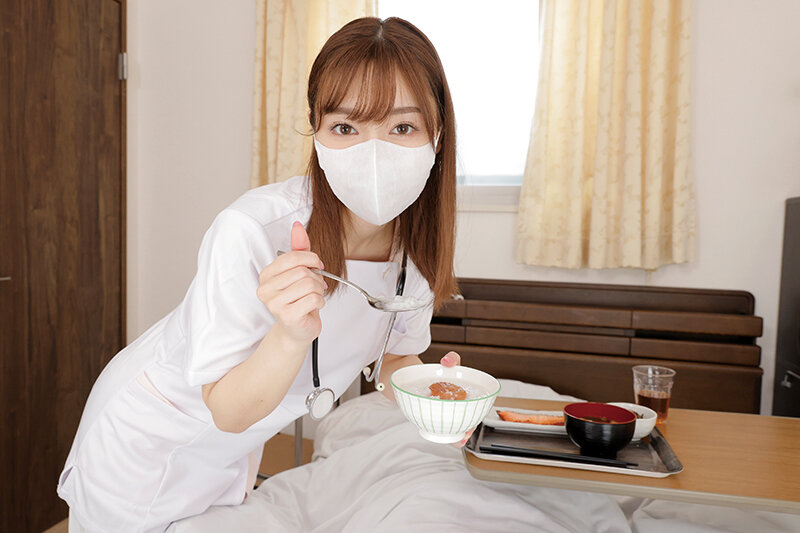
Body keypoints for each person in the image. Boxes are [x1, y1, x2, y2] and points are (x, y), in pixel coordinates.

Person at [58, 16, 465, 532]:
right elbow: (227, 410)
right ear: (316, 131)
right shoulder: (252, 230)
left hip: (230, 456)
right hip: (145, 443)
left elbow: (394, 355)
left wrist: (432, 397)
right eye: (345, 128)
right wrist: (290, 335)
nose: (374, 155)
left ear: (437, 135)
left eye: (401, 128)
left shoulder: (416, 255)